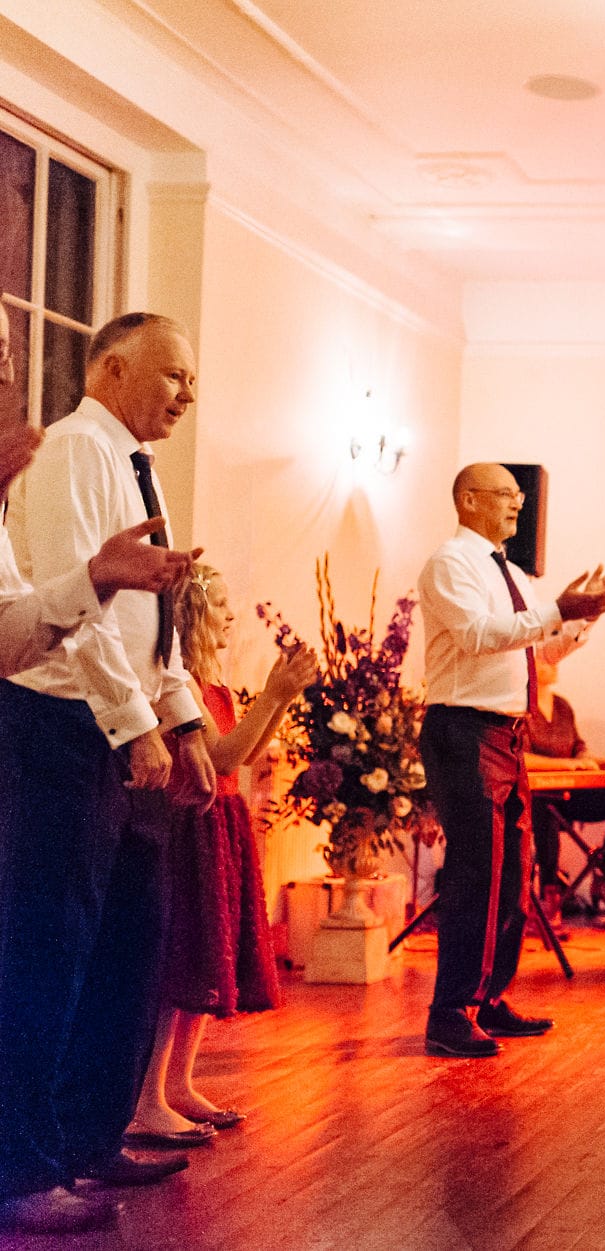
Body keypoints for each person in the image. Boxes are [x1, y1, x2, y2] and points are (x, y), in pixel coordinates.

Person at [0, 312, 218, 1235]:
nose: (187, 394)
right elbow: (73, 615)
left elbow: (142, 616)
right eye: (174, 374)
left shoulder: (135, 461)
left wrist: (186, 718)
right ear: (115, 367)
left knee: (127, 939)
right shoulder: (69, 453)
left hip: (128, 731)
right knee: (53, 947)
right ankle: (26, 1162)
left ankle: (90, 1134)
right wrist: (134, 727)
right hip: (63, 728)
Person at [416, 462, 605, 1058]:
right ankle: (449, 1010)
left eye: (518, 495)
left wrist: (584, 613)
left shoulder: (509, 570)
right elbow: (479, 635)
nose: (518, 504)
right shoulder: (450, 563)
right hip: (464, 728)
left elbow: (537, 646)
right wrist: (558, 607)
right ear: (467, 499)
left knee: (514, 873)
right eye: (506, 494)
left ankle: (488, 999)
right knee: (477, 874)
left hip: (508, 733)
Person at [128, 562, 317, 1144]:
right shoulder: (177, 686)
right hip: (185, 829)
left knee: (208, 964)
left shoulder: (211, 681)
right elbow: (225, 756)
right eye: (222, 604)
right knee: (180, 968)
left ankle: (181, 1084)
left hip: (220, 828)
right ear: (191, 614)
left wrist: (282, 700)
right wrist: (275, 693)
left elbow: (248, 752)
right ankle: (147, 1098)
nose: (233, 614)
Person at [0, 419, 193, 677]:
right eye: (174, 375)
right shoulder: (77, 443)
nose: (7, 377)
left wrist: (93, 579)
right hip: (66, 706)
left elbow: (5, 643)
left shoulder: (135, 460)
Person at [524, 657, 605, 917]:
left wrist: (592, 760)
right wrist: (567, 765)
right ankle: (549, 893)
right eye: (545, 658)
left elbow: (578, 747)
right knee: (546, 809)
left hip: (571, 794)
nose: (553, 662)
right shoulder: (519, 707)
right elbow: (520, 758)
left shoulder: (562, 706)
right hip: (538, 797)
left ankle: (603, 877)